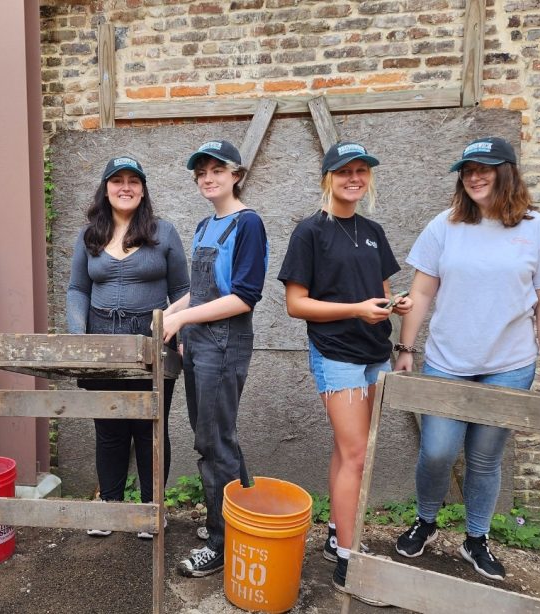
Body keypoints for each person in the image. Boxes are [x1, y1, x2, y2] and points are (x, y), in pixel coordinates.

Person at [393, 137, 540, 581]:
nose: (474, 176)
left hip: (509, 365)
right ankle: (426, 520)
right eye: (468, 169)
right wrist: (405, 348)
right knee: (436, 451)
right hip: (446, 361)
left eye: (485, 167)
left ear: (507, 171)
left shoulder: (537, 229)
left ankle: (476, 539)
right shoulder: (445, 225)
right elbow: (420, 292)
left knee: (485, 457)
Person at [278, 142, 411, 603]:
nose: (354, 178)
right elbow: (296, 304)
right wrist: (356, 310)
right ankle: (349, 565)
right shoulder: (310, 232)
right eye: (344, 172)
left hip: (374, 352)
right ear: (327, 178)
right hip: (336, 353)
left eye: (361, 171)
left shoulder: (373, 231)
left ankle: (339, 534)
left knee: (347, 449)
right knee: (356, 456)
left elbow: (381, 291)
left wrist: (396, 306)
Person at [65, 156, 189, 537]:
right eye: (117, 180)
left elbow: (184, 290)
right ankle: (110, 506)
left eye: (134, 180)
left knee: (150, 426)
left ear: (143, 189)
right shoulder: (90, 236)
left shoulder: (164, 232)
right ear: (106, 189)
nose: (126, 187)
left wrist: (178, 332)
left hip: (153, 337)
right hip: (104, 338)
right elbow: (77, 289)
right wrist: (79, 339)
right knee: (109, 425)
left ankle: (151, 510)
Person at [163, 140, 268, 577]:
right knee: (216, 436)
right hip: (199, 344)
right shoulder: (206, 225)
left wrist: (184, 317)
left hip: (225, 345)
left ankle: (222, 543)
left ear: (236, 175)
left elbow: (244, 297)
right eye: (202, 172)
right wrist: (169, 315)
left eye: (217, 170)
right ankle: (238, 522)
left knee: (213, 442)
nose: (209, 178)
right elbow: (203, 292)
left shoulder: (249, 224)